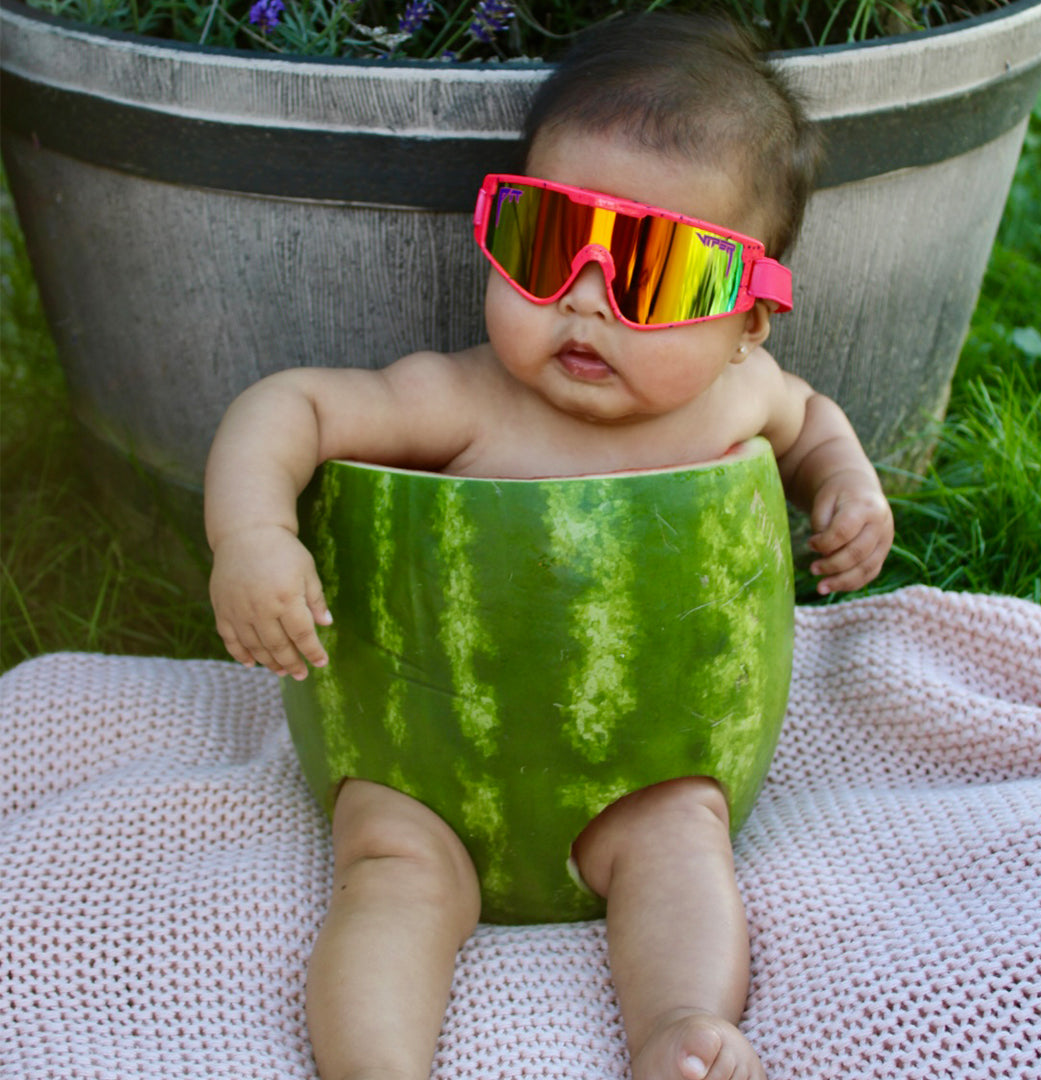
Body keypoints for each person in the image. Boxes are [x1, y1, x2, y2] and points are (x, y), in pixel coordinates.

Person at [205, 13, 893, 1080]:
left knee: (683, 842)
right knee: (391, 877)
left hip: (643, 774)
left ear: (748, 319)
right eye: (544, 242)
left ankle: (681, 1029)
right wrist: (252, 536)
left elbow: (811, 426)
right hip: (423, 777)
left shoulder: (745, 399)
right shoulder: (460, 400)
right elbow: (286, 405)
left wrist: (845, 486)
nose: (586, 295)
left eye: (654, 273)